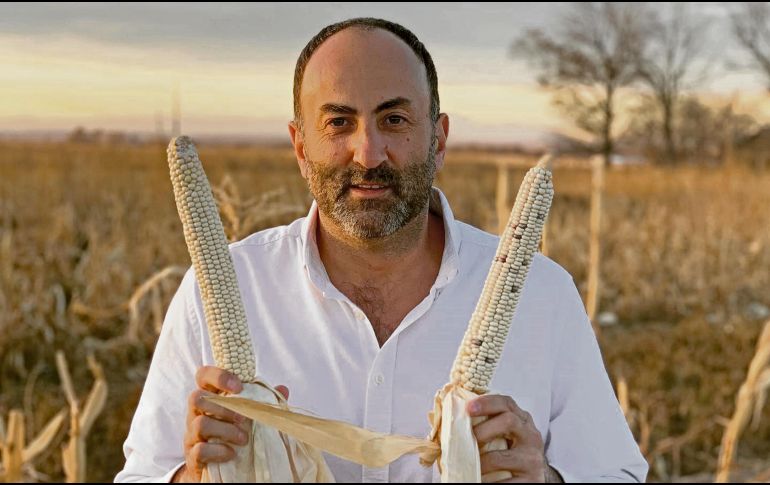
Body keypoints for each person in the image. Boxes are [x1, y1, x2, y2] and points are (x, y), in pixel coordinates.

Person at [115, 17, 648, 483]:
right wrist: (198, 475)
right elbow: (141, 476)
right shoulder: (221, 288)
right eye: (338, 123)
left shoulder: (542, 292)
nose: (367, 154)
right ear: (301, 147)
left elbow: (616, 474)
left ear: (438, 139)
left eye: (394, 120)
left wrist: (543, 479)